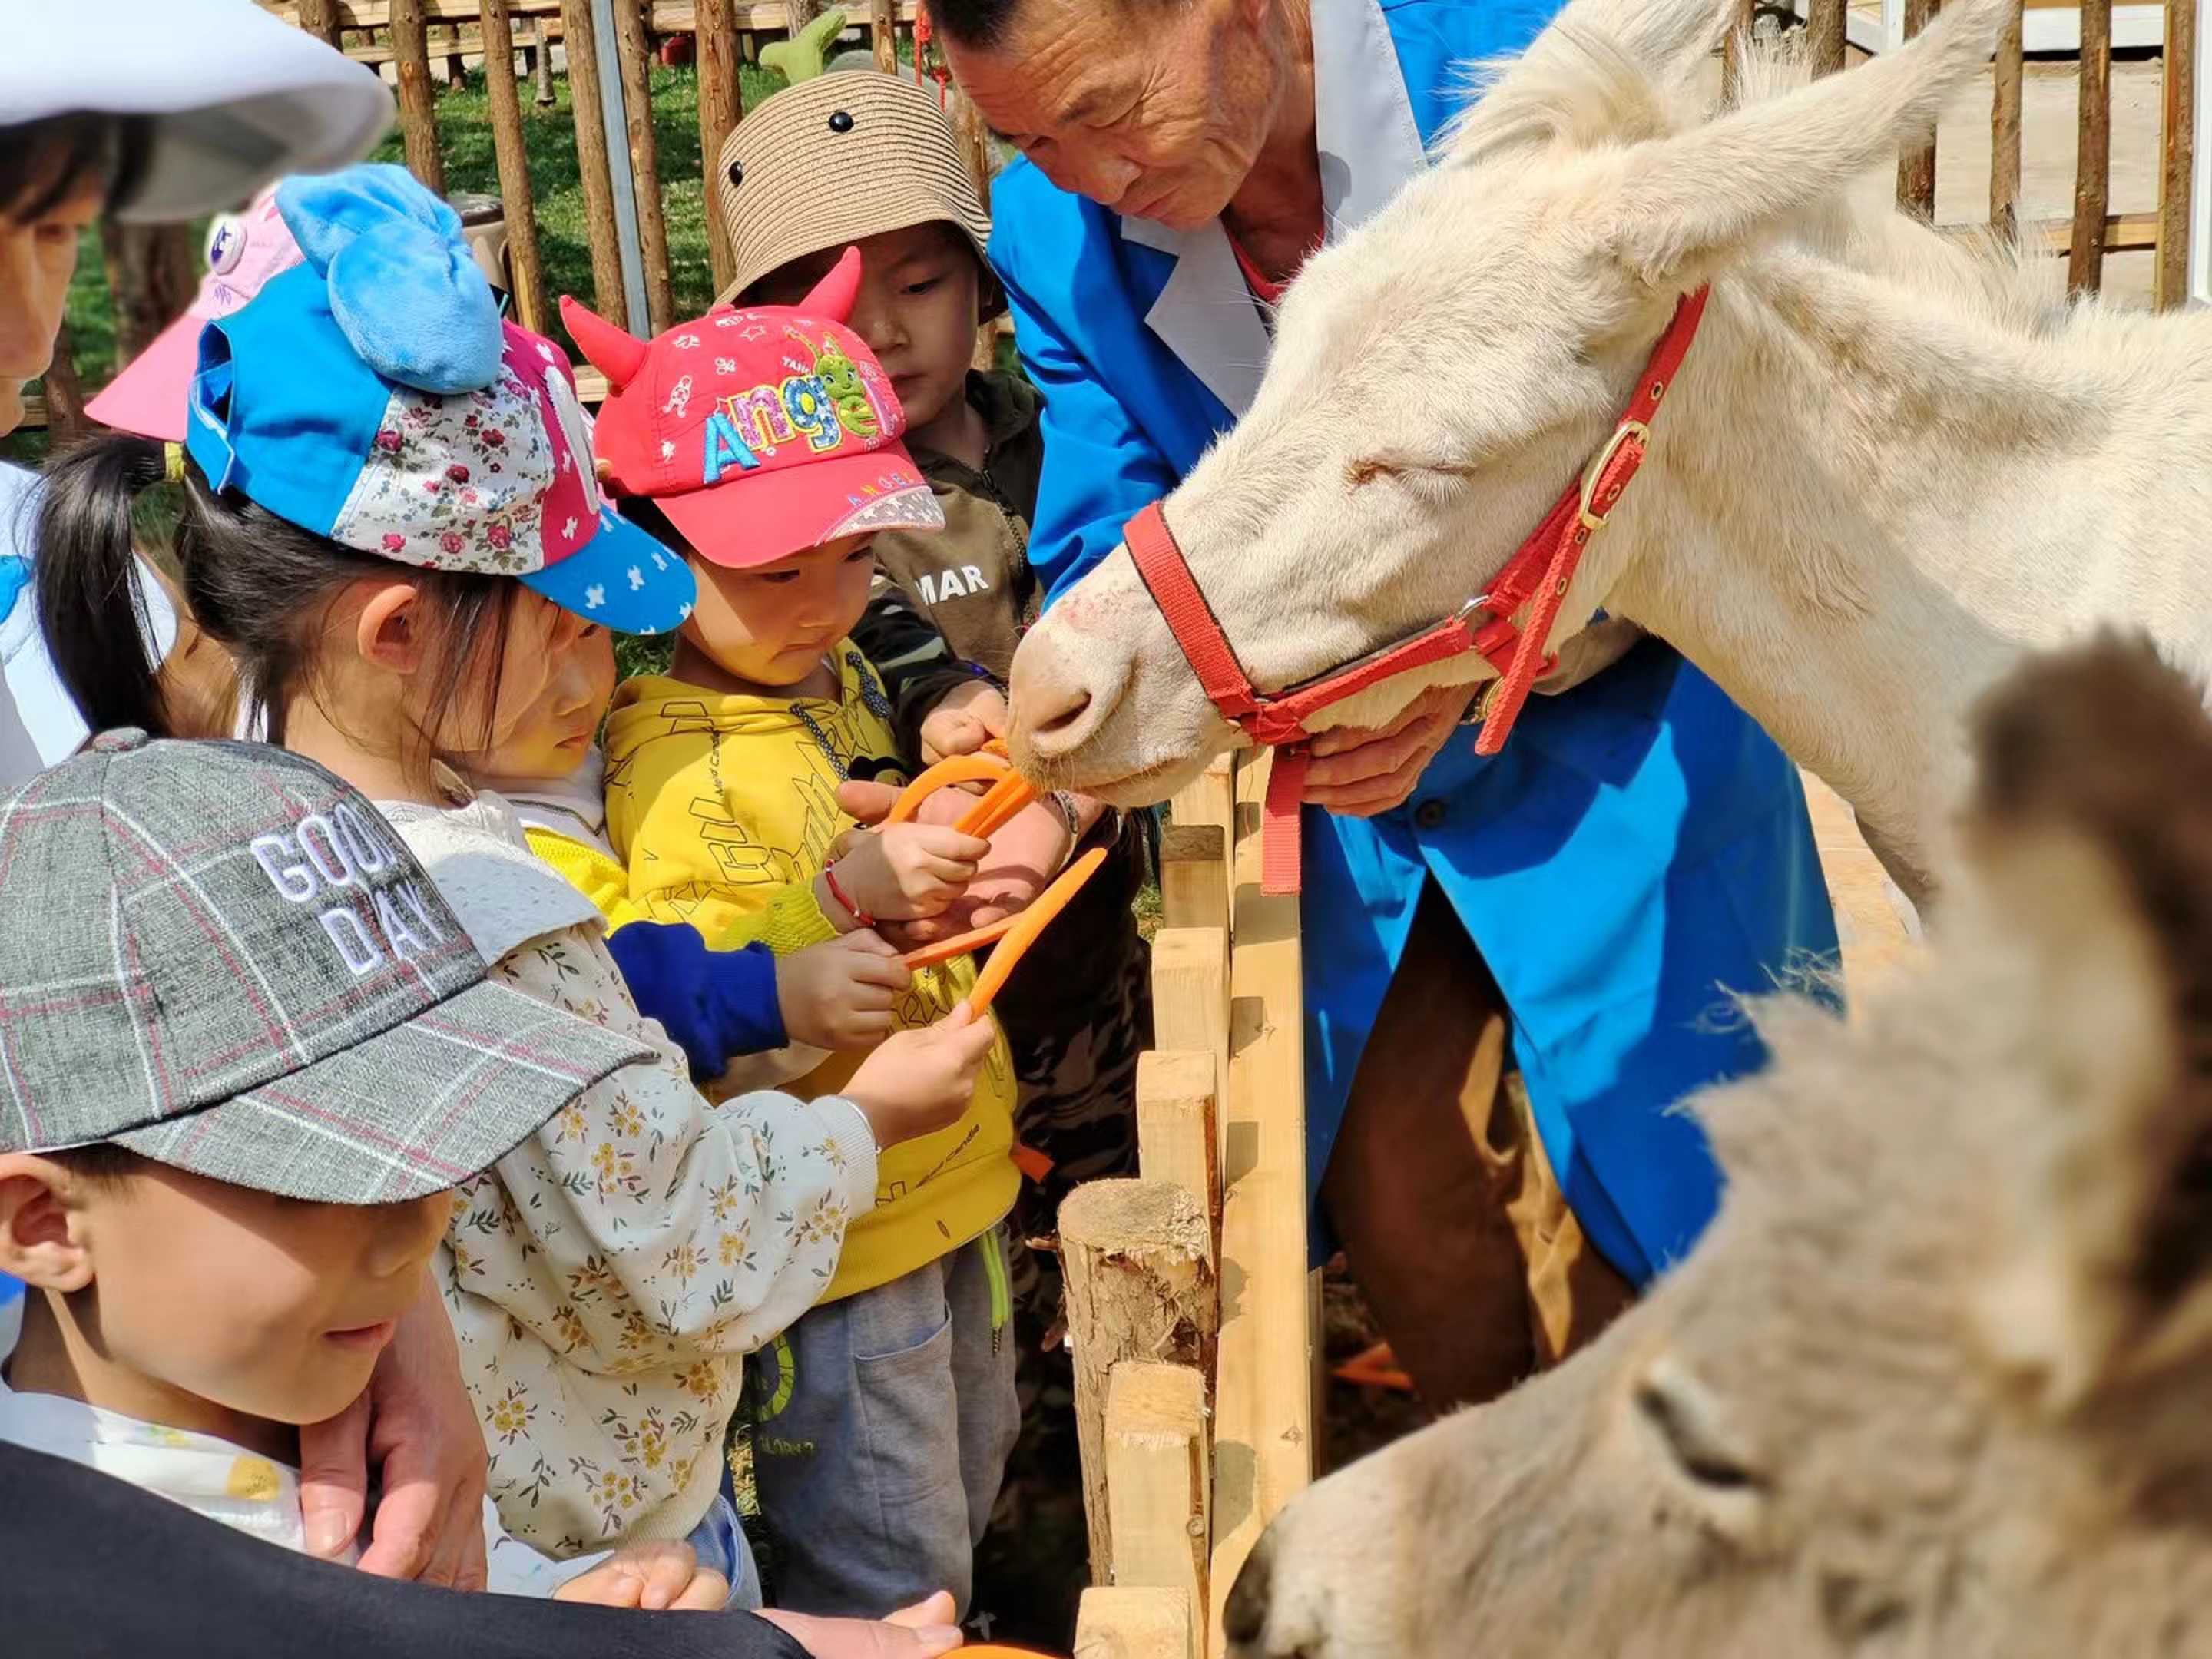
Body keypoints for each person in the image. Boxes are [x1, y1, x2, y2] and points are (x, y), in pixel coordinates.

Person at [31, 167, 989, 1593]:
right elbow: (663, 1241)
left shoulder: (221, 842)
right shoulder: (489, 909)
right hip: (606, 1536)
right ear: (405, 628)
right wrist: (860, 1129)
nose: (599, 662)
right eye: (561, 616)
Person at [941, 0, 1841, 1409]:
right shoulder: (1058, 240)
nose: (1087, 178)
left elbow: (1726, 442)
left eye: (1107, 112)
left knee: (1703, 1223)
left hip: (1632, 752)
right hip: (1354, 822)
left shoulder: (1546, 73)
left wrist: (1480, 664)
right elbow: (1105, 545)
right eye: (1027, 137)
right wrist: (1050, 789)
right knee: (1420, 1224)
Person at [0, 0, 496, 1591]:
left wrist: (399, 1334)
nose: (24, 331)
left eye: (54, 236)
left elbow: (267, 1010)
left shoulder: (65, 589)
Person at [712, 66, 1152, 1541]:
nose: (884, 327)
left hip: (1089, 957)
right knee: (971, 1307)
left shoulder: (1064, 445)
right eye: (832, 294)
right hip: (911, 976)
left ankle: (1128, 1507)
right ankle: (1023, 1547)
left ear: (984, 284)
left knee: (1123, 1238)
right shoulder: (792, 513)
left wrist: (1055, 806)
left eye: (920, 281)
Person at [0, 733, 733, 1607]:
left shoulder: (295, 1379)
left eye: (439, 1139)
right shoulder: (85, 1593)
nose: (422, 1222)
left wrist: (574, 1607)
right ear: (39, 1225)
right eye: (317, 1177)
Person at [568, 261, 1022, 1618]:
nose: (826, 603)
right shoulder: (672, 770)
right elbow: (696, 1029)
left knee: (970, 1480)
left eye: (849, 557)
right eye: (776, 572)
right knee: (886, 1557)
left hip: (950, 1187)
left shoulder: (834, 683)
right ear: (651, 554)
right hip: (841, 1244)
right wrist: (839, 919)